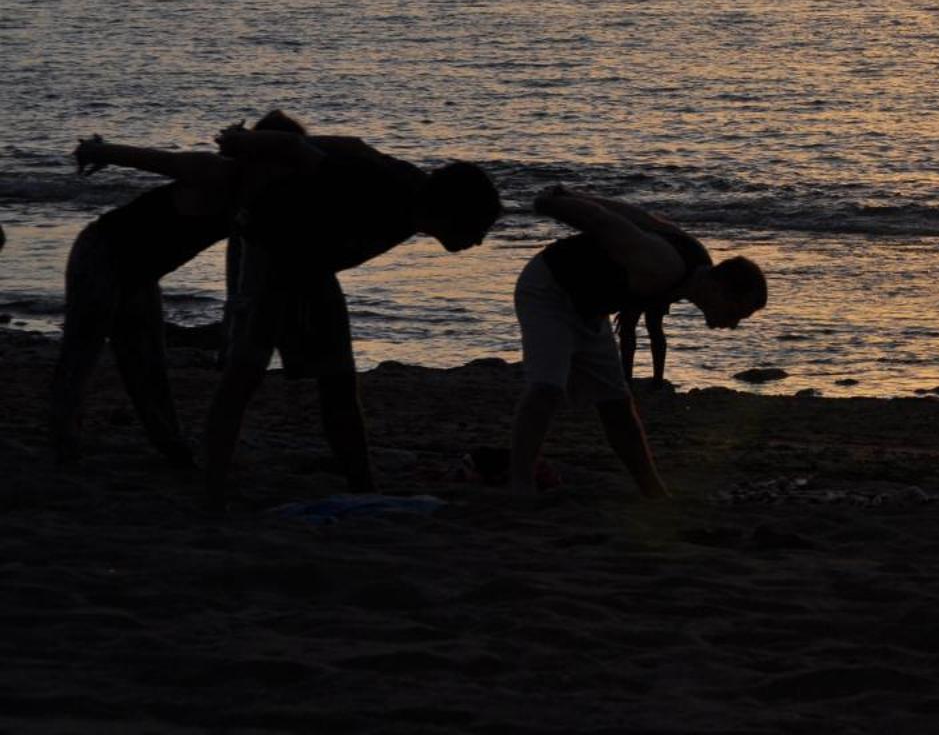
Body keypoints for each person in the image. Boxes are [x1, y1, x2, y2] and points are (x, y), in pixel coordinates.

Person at [202, 125, 501, 509]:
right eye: (477, 228)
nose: (477, 241)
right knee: (245, 372)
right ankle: (212, 490)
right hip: (270, 246)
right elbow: (304, 147)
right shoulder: (384, 186)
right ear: (453, 211)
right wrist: (243, 143)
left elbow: (352, 146)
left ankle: (361, 487)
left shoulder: (411, 202)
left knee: (339, 379)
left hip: (311, 265)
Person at [51, 111, 308, 466]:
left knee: (147, 362)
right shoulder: (213, 172)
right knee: (82, 351)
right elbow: (153, 160)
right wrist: (96, 150)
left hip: (140, 274)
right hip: (103, 253)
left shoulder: (257, 198)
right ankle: (62, 438)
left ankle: (169, 445)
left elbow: (248, 266)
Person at [510, 185, 766, 498]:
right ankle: (520, 482)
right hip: (549, 289)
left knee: (618, 405)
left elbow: (638, 217)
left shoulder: (697, 259)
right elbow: (604, 223)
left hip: (590, 310)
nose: (734, 324)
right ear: (720, 290)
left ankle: (653, 491)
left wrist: (573, 193)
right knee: (547, 387)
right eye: (737, 312)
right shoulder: (663, 264)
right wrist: (552, 204)